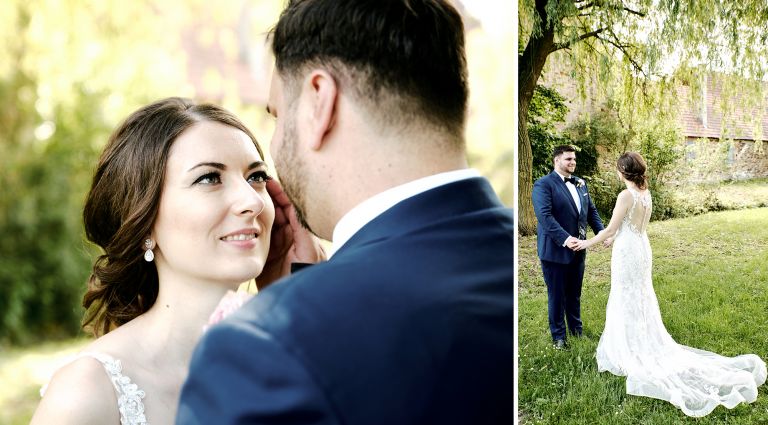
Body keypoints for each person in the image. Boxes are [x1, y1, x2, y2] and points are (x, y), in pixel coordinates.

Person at [176, 1, 515, 424]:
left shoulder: (265, 348)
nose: (276, 142)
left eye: (278, 116)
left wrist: (300, 305)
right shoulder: (513, 260)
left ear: (319, 100)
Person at [30, 97, 320, 425]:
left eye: (256, 176)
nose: (251, 200)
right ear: (143, 221)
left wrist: (304, 289)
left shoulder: (287, 356)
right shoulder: (87, 391)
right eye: (209, 178)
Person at [573, 152, 767, 417]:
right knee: (638, 295)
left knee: (625, 295)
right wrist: (611, 239)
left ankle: (629, 349)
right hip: (641, 247)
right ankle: (638, 340)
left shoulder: (626, 195)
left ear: (622, 171)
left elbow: (610, 229)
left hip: (628, 252)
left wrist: (586, 243)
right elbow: (630, 227)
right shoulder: (645, 192)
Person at [532, 145, 604, 349]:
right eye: (568, 159)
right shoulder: (543, 185)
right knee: (557, 295)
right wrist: (565, 239)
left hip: (579, 248)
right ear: (557, 161)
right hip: (555, 250)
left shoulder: (581, 183)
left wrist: (601, 232)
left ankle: (576, 330)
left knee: (574, 293)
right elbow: (544, 216)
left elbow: (591, 211)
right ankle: (559, 337)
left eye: (574, 159)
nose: (572, 162)